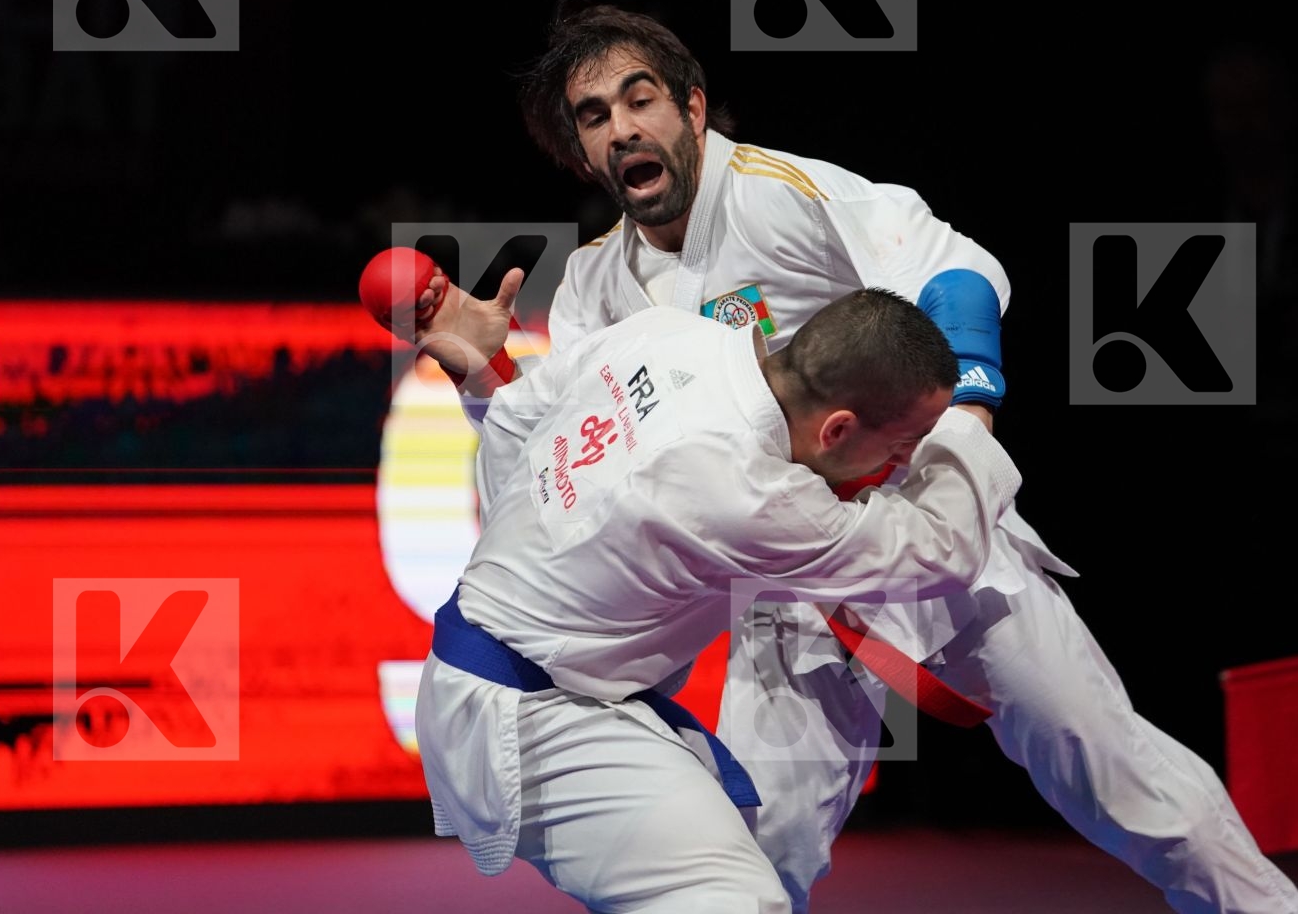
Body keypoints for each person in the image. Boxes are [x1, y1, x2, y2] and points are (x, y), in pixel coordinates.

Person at [412, 0, 1298, 913]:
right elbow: (542, 475)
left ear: (692, 107)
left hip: (927, 519)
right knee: (758, 861)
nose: (621, 129)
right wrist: (488, 376)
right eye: (594, 117)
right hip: (786, 590)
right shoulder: (597, 288)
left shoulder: (779, 193)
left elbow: (955, 271)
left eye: (639, 100)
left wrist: (967, 424)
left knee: (1121, 780)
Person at [418, 288, 1020, 911]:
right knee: (736, 901)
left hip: (511, 677)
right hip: (532, 721)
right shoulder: (755, 494)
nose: (906, 461)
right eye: (905, 443)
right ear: (837, 428)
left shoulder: (660, 331)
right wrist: (973, 409)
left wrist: (486, 371)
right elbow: (938, 551)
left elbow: (518, 421)